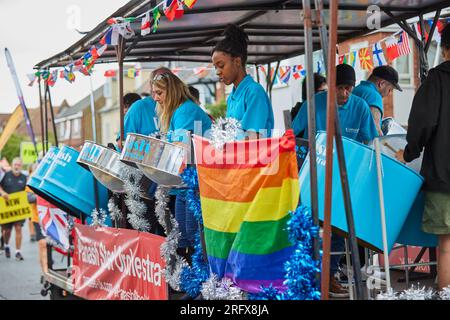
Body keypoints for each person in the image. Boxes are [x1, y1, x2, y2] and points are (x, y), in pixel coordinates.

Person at [292, 64, 378, 297]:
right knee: (311, 230)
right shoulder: (315, 103)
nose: (344, 94)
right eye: (339, 88)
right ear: (331, 86)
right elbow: (292, 135)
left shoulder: (360, 106)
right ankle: (309, 278)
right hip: (313, 178)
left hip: (344, 179)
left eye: (348, 88)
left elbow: (371, 142)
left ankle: (329, 277)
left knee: (338, 231)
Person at [395, 23, 450, 290]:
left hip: (443, 175)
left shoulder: (438, 79)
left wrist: (409, 152)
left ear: (446, 50)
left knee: (447, 246)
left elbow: (422, 123)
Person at [152, 72, 212, 263]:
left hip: (196, 184)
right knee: (183, 237)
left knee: (194, 237)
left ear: (171, 91)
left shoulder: (185, 111)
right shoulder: (178, 112)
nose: (155, 98)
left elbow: (180, 150)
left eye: (159, 93)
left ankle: (203, 284)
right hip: (184, 184)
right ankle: (194, 283)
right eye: (154, 93)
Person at [212, 24, 274, 139]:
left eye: (221, 65)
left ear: (237, 61)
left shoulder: (254, 92)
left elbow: (252, 138)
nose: (217, 72)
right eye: (215, 67)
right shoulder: (231, 97)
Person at [117, 66, 172, 150]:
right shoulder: (138, 107)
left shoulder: (179, 107)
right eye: (160, 80)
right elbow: (122, 143)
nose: (164, 84)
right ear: (151, 84)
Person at [352, 65, 402, 136]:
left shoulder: (357, 89)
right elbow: (375, 129)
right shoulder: (374, 96)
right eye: (390, 89)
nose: (389, 93)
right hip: (360, 145)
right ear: (382, 84)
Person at [0, 158, 28, 261]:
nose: (17, 166)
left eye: (19, 165)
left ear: (21, 166)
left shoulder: (24, 178)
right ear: (12, 165)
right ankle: (6, 244)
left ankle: (18, 252)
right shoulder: (6, 175)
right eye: (15, 164)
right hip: (7, 208)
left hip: (19, 209)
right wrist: (2, 193)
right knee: (6, 231)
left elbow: (27, 191)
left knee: (18, 228)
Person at [26, 163, 48, 279]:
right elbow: (30, 198)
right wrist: (42, 194)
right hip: (37, 218)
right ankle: (45, 272)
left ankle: (48, 267)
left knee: (48, 245)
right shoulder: (31, 182)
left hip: (49, 217)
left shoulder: (46, 182)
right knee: (42, 244)